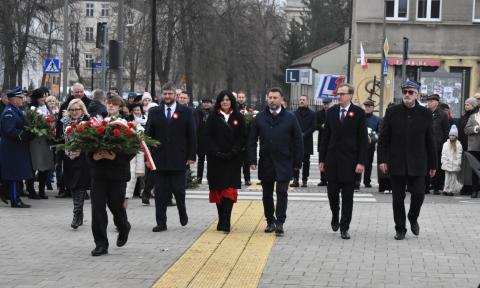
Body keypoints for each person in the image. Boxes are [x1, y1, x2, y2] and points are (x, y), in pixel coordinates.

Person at [378, 80, 437, 240]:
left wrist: (433, 164)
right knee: (397, 198)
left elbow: (430, 140)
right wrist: (382, 160)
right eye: (405, 92)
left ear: (417, 94)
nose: (407, 95)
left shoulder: (425, 113)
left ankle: (413, 217)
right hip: (396, 162)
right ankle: (400, 228)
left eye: (411, 92)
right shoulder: (392, 112)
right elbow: (383, 138)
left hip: (418, 162)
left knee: (419, 194)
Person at [248, 87, 303, 235]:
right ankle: (270, 221)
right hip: (266, 161)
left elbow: (298, 140)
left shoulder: (290, 117)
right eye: (270, 97)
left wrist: (298, 162)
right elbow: (252, 140)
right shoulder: (259, 117)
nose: (272, 100)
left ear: (281, 100)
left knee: (281, 192)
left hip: (285, 160)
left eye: (275, 98)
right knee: (267, 193)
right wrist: (252, 159)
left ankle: (280, 222)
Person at [319, 83, 368, 240]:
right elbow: (325, 137)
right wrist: (322, 160)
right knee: (332, 193)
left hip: (350, 161)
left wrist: (361, 162)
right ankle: (335, 214)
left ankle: (344, 226)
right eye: (337, 94)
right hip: (332, 160)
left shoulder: (358, 112)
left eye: (342, 94)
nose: (338, 96)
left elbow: (362, 140)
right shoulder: (332, 112)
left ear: (350, 95)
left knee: (348, 197)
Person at [146, 82, 197, 232]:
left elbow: (192, 136)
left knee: (179, 190)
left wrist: (191, 155)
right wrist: (148, 157)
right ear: (162, 95)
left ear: (175, 95)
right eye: (165, 93)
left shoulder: (186, 112)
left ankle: (182, 210)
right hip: (159, 159)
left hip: (179, 158)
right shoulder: (154, 112)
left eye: (170, 94)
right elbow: (148, 135)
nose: (167, 96)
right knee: (160, 193)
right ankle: (161, 223)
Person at [88, 96, 135, 256]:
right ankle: (101, 244)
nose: (111, 106)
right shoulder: (97, 123)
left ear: (120, 107)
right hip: (99, 174)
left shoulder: (126, 124)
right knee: (98, 209)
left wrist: (115, 157)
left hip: (117, 174)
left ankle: (123, 226)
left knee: (116, 207)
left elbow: (132, 148)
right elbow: (87, 144)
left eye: (114, 104)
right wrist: (93, 157)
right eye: (108, 103)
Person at [205, 91, 246, 232]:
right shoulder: (213, 117)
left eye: (228, 100)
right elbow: (207, 136)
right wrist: (216, 151)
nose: (225, 102)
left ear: (231, 101)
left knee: (229, 190)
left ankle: (226, 220)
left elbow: (242, 137)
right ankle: (221, 218)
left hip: (233, 159)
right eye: (222, 100)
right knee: (218, 189)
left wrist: (234, 151)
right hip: (216, 159)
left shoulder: (238, 117)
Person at [59, 99, 91, 228]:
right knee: (73, 185)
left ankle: (76, 215)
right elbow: (59, 138)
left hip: (83, 158)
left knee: (80, 185)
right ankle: (80, 215)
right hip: (68, 157)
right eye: (71, 110)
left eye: (76, 109)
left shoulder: (88, 121)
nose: (74, 112)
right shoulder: (64, 121)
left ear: (82, 110)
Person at [0, 87, 34, 208]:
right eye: (19, 98)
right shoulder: (9, 112)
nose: (22, 99)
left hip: (17, 148)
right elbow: (10, 131)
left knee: (16, 174)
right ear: (13, 99)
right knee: (14, 175)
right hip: (11, 149)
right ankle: (15, 200)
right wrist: (23, 135)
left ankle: (11, 196)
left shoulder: (17, 110)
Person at [26, 88, 55, 199]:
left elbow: (52, 120)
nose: (44, 98)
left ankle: (42, 191)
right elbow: (28, 123)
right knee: (34, 166)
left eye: (45, 96)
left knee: (45, 166)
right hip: (35, 141)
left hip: (46, 140)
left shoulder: (46, 107)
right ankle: (31, 190)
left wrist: (51, 125)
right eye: (42, 96)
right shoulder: (31, 108)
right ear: (36, 97)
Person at [426, 94, 450, 194]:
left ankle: (436, 187)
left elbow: (446, 130)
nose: (429, 103)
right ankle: (425, 187)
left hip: (438, 145)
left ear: (436, 102)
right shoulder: (425, 112)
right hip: (426, 144)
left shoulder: (443, 114)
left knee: (437, 166)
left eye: (431, 101)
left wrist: (443, 143)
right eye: (428, 101)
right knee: (426, 166)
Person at [291, 95, 316, 188]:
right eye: (300, 99)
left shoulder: (312, 114)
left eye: (303, 100)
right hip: (296, 141)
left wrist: (304, 134)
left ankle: (305, 179)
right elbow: (292, 125)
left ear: (307, 102)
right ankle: (295, 179)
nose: (301, 101)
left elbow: (313, 126)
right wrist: (298, 134)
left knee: (306, 161)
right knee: (296, 160)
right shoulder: (294, 113)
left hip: (307, 140)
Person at [458, 97, 478, 195]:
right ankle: (465, 186)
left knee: (472, 167)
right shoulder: (464, 116)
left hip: (473, 146)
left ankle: (472, 188)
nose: (466, 106)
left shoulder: (475, 116)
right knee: (464, 168)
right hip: (464, 144)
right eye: (465, 104)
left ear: (473, 105)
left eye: (468, 104)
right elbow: (463, 129)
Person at [362, 100, 380, 188]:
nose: (367, 108)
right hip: (359, 145)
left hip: (370, 145)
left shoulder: (377, 119)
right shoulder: (360, 117)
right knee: (357, 162)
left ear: (373, 108)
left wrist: (373, 137)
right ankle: (356, 182)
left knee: (368, 164)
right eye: (366, 106)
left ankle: (367, 181)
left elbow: (379, 132)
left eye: (369, 106)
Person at [464, 101, 480, 199]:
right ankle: (474, 190)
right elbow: (466, 130)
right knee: (475, 169)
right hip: (474, 147)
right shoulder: (473, 117)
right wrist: (476, 128)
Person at [195, 97, 213, 184]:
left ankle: (210, 178)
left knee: (210, 161)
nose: (206, 104)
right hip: (201, 138)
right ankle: (199, 178)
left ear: (211, 103)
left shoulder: (214, 112)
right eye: (204, 102)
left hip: (210, 139)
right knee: (200, 160)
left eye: (208, 102)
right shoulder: (198, 112)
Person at [441, 125, 462, 196]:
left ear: (456, 136)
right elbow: (443, 154)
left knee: (453, 177)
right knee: (447, 177)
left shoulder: (458, 145)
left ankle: (451, 190)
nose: (452, 136)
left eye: (453, 135)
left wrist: (458, 162)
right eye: (450, 135)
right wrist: (443, 161)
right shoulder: (445, 144)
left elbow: (459, 155)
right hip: (447, 163)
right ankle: (445, 189)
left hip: (455, 164)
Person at [316, 98, 332, 186]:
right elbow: (315, 125)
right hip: (322, 139)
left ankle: (330, 178)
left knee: (330, 160)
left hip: (331, 140)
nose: (326, 106)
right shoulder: (318, 113)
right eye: (324, 104)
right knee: (321, 160)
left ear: (330, 104)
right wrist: (321, 125)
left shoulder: (334, 112)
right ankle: (323, 179)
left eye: (327, 104)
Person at [237, 91, 251, 185]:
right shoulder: (234, 109)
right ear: (237, 98)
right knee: (237, 161)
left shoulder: (249, 110)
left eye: (242, 97)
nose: (241, 99)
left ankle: (247, 179)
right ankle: (237, 179)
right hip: (237, 138)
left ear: (245, 98)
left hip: (246, 138)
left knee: (246, 161)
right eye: (239, 97)